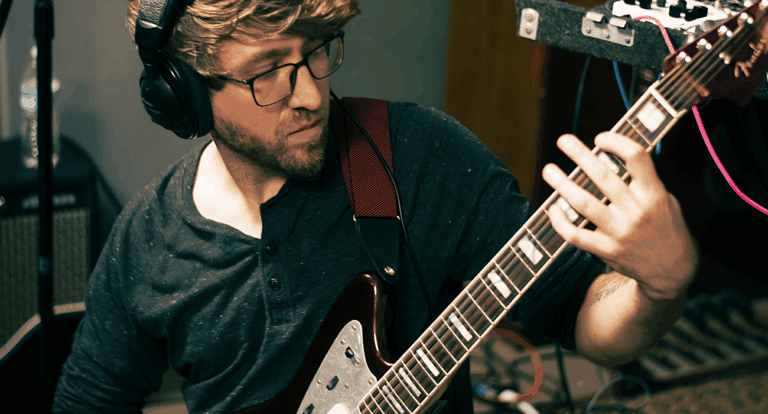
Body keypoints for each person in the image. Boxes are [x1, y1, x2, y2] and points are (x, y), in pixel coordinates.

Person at [52, 0, 700, 413]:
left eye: (316, 50)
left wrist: (660, 287)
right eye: (267, 71)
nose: (310, 94)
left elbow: (584, 319)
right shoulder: (149, 240)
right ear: (186, 95)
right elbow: (88, 402)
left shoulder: (421, 156)